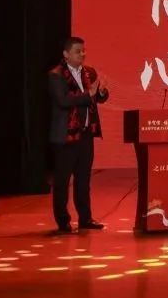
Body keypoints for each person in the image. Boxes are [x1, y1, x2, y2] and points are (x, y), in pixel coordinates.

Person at [48, 36, 109, 234]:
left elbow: (97, 98)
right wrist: (88, 95)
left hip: (85, 135)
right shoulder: (56, 75)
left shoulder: (89, 72)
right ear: (66, 54)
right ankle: (63, 222)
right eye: (77, 51)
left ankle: (85, 218)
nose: (82, 54)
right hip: (65, 136)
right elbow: (64, 101)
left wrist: (101, 92)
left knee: (83, 179)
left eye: (83, 51)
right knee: (62, 181)